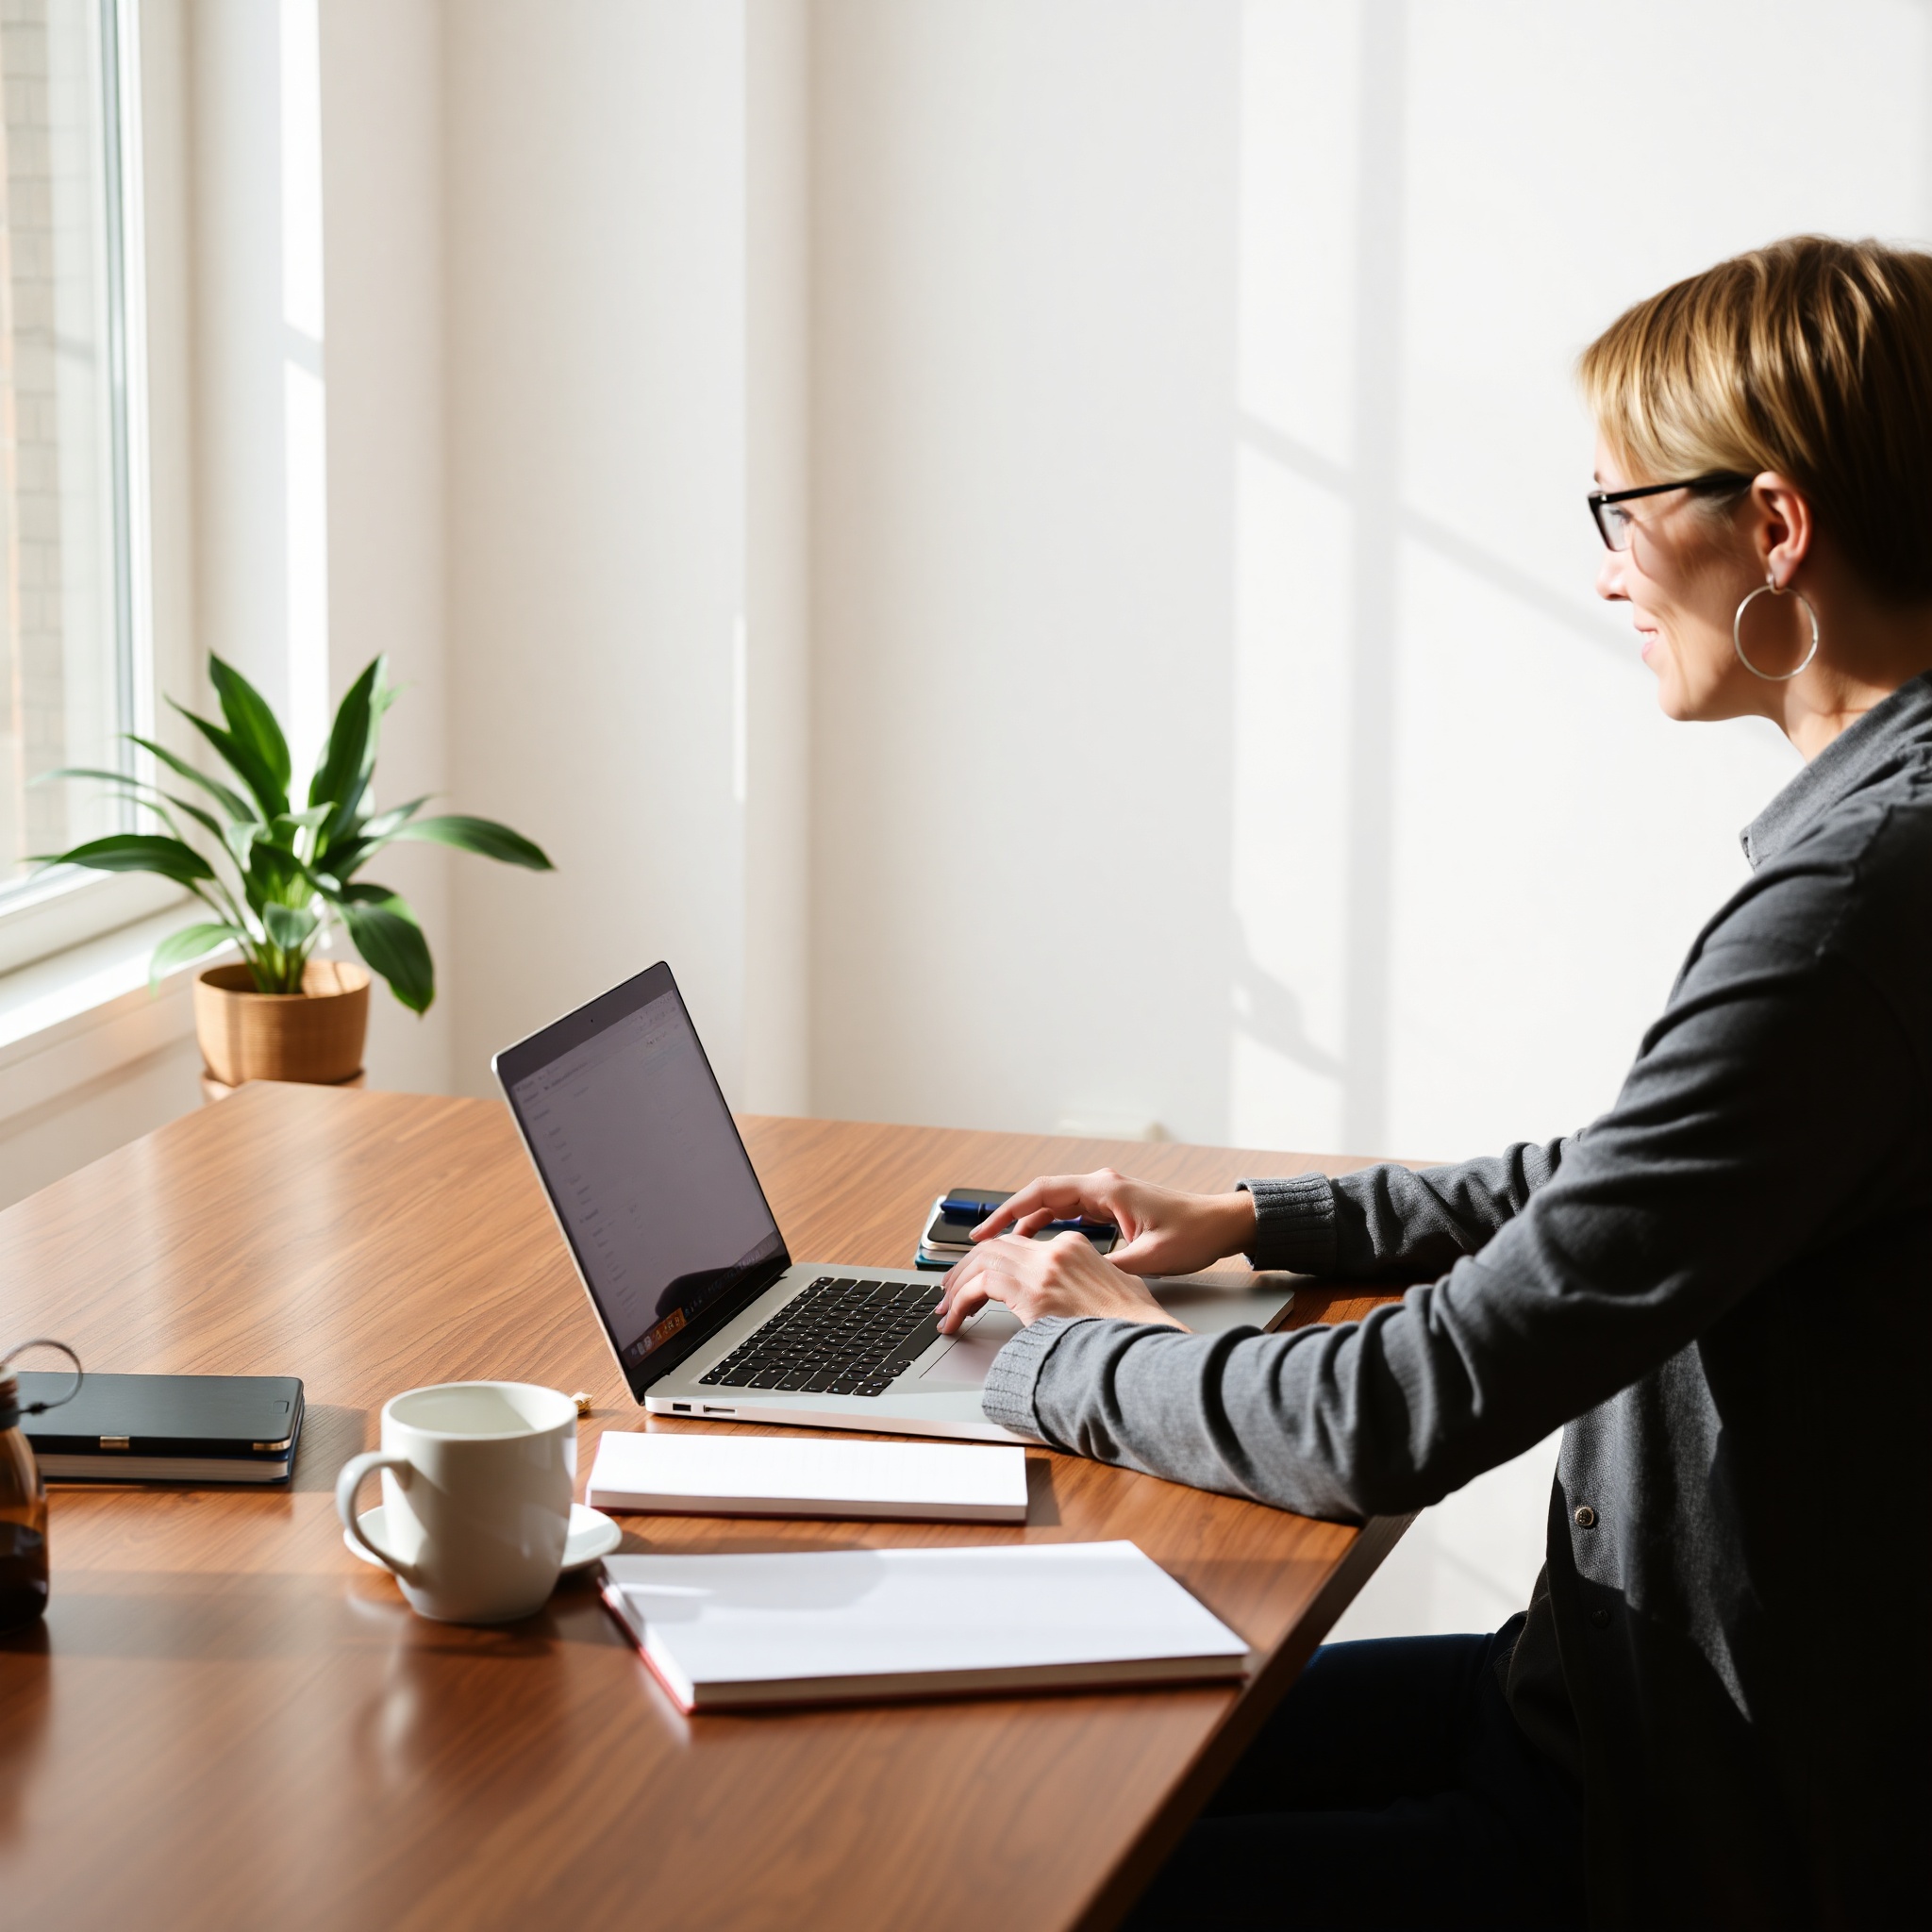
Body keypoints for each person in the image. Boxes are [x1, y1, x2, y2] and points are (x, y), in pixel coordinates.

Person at [936, 236, 1932, 1929]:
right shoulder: (1879, 857)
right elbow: (1630, 1181)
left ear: (1774, 528)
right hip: (1602, 1707)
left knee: (1005, 1874)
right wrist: (1264, 1217)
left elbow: (1402, 1412)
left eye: (1621, 510)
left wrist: (1074, 1347)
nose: (1608, 572)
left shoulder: (1852, 911)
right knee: (1018, 1765)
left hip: (1672, 1824)